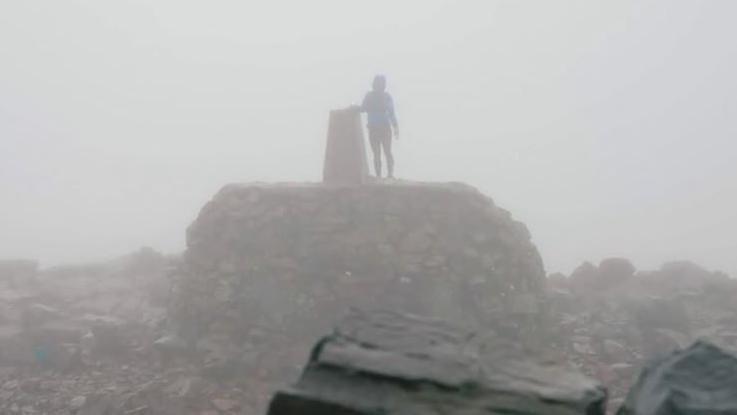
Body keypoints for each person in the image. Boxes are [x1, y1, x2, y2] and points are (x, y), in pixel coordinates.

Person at [358, 75, 399, 179]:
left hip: (380, 128)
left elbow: (391, 112)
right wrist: (395, 127)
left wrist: (395, 126)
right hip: (377, 128)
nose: (381, 86)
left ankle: (385, 175)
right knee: (379, 153)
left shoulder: (383, 97)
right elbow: (391, 113)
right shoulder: (377, 97)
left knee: (384, 152)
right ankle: (382, 175)